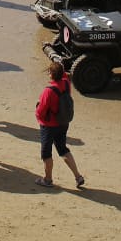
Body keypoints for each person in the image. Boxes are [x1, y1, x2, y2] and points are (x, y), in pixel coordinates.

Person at [34, 61, 84, 189]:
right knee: (63, 149)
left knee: (46, 153)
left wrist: (38, 114)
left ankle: (48, 179)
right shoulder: (66, 84)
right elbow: (65, 77)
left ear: (51, 75)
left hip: (49, 126)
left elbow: (40, 112)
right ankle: (78, 176)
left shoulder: (48, 91)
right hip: (63, 123)